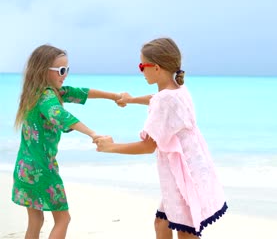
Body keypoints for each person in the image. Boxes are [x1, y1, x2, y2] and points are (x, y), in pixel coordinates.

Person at [95, 37, 227, 239]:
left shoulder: (166, 99)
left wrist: (110, 147)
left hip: (183, 173)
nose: (140, 70)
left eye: (142, 65)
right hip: (192, 166)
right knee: (162, 224)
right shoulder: (178, 90)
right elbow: (155, 100)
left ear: (156, 68)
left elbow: (148, 146)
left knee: (185, 231)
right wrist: (131, 100)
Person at [12, 44, 124, 239]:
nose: (65, 75)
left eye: (67, 70)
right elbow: (61, 115)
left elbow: (81, 92)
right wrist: (93, 134)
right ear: (43, 71)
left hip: (24, 168)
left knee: (36, 220)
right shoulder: (47, 97)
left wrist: (114, 96)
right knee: (63, 219)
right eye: (61, 71)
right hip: (43, 170)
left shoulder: (36, 93)